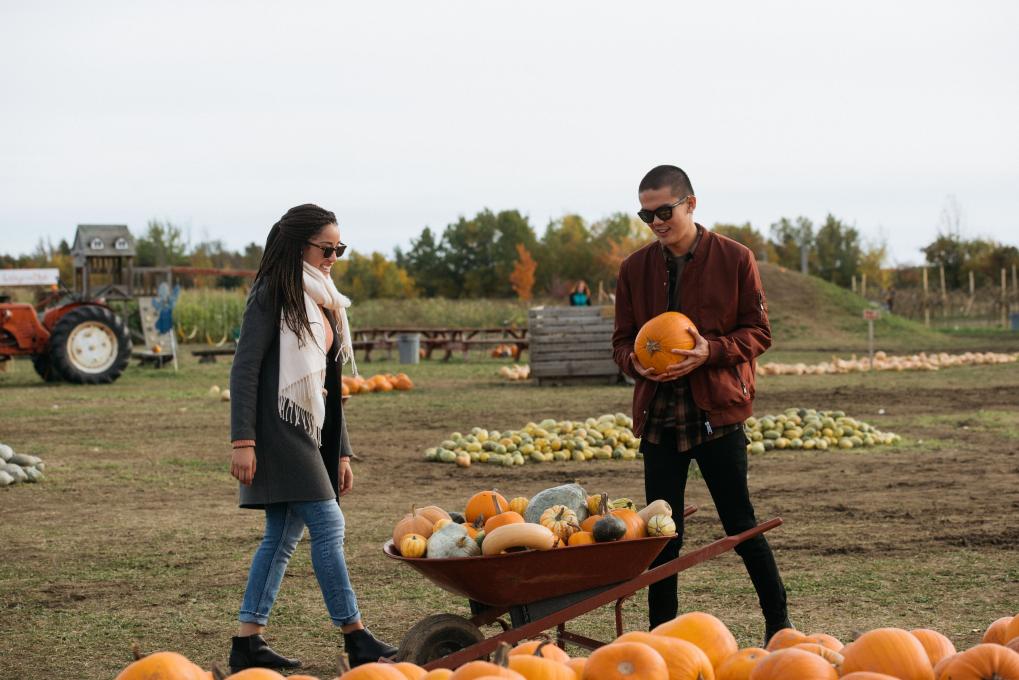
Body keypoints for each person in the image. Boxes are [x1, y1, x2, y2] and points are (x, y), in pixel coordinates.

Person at [611, 166, 791, 644]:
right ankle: (659, 640)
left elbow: (759, 333)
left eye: (663, 211)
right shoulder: (634, 269)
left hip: (716, 416)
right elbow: (621, 342)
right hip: (660, 421)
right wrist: (634, 362)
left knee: (741, 526)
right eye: (645, 214)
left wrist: (710, 351)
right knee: (662, 538)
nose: (655, 222)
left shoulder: (735, 258)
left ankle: (779, 625)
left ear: (691, 204)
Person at [227, 204, 397, 672]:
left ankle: (247, 643)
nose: (334, 257)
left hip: (312, 430)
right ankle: (356, 636)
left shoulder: (326, 300)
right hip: (277, 431)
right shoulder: (272, 293)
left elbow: (332, 385)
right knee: (328, 526)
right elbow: (244, 369)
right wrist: (242, 440)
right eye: (327, 248)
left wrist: (340, 450)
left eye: (340, 248)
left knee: (281, 536)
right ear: (300, 244)